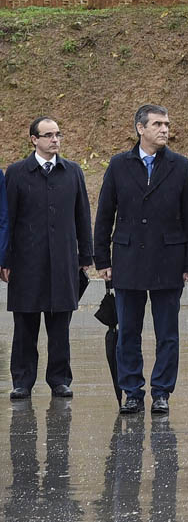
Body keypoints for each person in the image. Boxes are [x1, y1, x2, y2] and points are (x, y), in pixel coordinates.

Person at [93, 104, 188, 415]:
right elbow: (104, 215)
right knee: (128, 330)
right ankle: (132, 390)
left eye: (167, 124)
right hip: (127, 258)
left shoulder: (181, 166)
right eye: (157, 124)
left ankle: (162, 390)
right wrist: (102, 259)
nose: (165, 129)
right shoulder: (118, 165)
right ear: (140, 128)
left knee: (167, 332)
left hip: (169, 257)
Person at [3, 117, 87, 400]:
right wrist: (5, 259)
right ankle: (22, 381)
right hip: (26, 263)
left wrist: (86, 256)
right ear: (33, 140)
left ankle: (60, 379)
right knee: (25, 326)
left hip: (63, 261)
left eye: (58, 134)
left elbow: (82, 218)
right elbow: (7, 220)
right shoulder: (15, 174)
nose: (55, 140)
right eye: (48, 135)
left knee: (60, 326)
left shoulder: (72, 172)